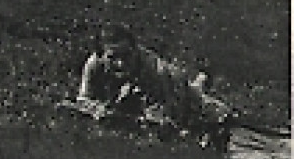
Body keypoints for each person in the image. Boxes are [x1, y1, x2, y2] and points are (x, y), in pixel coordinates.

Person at [74, 25, 234, 142]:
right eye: (112, 58)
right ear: (101, 55)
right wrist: (98, 109)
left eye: (126, 55)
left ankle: (204, 82)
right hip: (138, 94)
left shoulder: (155, 70)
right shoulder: (94, 64)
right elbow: (82, 100)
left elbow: (171, 119)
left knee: (204, 109)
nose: (121, 63)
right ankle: (201, 80)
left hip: (177, 91)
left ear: (135, 50)